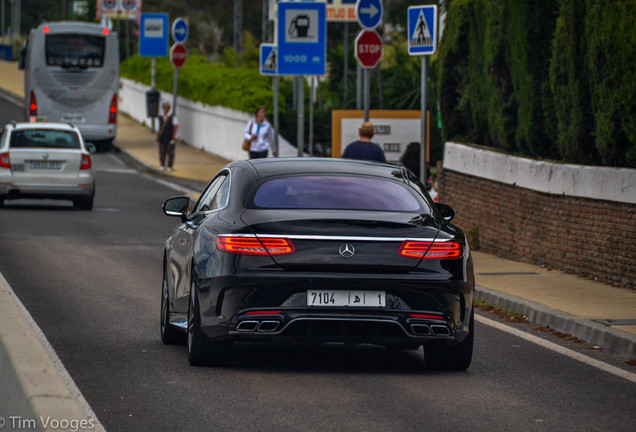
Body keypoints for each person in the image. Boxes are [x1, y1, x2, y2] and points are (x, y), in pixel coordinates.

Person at [157, 102, 179, 172]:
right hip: (162, 137)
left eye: (167, 108)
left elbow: (176, 126)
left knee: (170, 152)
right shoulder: (161, 116)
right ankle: (162, 165)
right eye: (164, 108)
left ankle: (169, 166)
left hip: (169, 137)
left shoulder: (172, 117)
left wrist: (174, 136)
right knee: (162, 152)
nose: (165, 109)